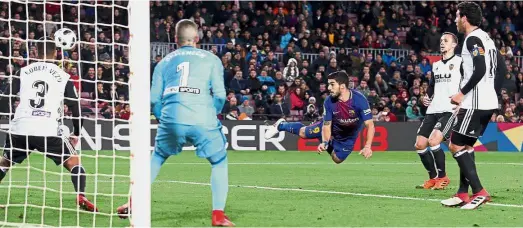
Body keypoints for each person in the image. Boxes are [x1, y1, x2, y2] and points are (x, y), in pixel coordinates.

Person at [117, 19, 233, 226]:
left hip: (172, 117)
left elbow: (153, 99)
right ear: (197, 38)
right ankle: (218, 215)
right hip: (203, 118)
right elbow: (221, 95)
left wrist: (163, 117)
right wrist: (212, 113)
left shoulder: (164, 62)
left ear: (175, 40)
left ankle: (133, 203)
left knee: (157, 157)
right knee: (219, 162)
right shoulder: (212, 59)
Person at [0, 38, 97, 212]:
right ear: (57, 53)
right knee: (74, 161)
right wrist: (76, 132)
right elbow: (75, 107)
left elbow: (5, 99)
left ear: (35, 52)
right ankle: (81, 195)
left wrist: (13, 119)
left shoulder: (22, 72)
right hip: (47, 129)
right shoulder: (63, 76)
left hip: (21, 127)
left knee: (5, 162)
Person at [442, 2, 507, 210]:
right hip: (485, 101)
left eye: (456, 16)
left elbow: (479, 69)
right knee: (467, 147)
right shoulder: (486, 39)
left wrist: (462, 94)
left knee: (454, 145)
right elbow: (501, 68)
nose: (454, 20)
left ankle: (479, 191)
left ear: (464, 18)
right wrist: (492, 94)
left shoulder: (472, 39)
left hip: (475, 102)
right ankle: (462, 193)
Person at [265, 71, 374, 163]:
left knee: (337, 159)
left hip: (349, 136)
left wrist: (368, 146)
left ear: (342, 86)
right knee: (303, 133)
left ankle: (322, 138)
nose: (328, 88)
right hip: (332, 127)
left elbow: (370, 125)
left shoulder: (360, 100)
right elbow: (327, 125)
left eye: (332, 84)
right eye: (328, 84)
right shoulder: (329, 101)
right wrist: (325, 142)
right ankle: (281, 125)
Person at [414, 32, 462, 190]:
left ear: (454, 45)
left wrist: (463, 101)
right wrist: (426, 97)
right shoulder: (436, 65)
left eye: (446, 41)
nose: (442, 43)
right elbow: (432, 86)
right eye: (441, 40)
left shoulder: (460, 62)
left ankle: (443, 177)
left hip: (449, 110)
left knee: (434, 141)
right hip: (433, 109)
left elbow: (469, 84)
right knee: (420, 144)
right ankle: (433, 178)